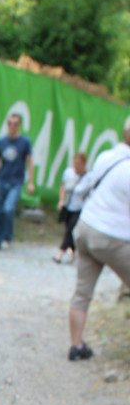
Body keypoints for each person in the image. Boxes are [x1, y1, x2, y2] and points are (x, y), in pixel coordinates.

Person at [67, 123, 130, 361]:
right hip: (111, 236)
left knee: (82, 292)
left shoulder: (106, 156)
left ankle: (76, 345)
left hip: (86, 228)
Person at [0, 112, 34, 250]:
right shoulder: (1, 142)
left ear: (19, 125)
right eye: (10, 123)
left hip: (16, 181)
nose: (12, 126)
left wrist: (31, 182)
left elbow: (29, 162)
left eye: (15, 123)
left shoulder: (24, 142)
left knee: (8, 208)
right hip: (2, 180)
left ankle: (7, 236)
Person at [54, 151, 87, 263]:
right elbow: (63, 186)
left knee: (71, 228)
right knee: (69, 228)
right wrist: (61, 200)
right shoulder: (68, 173)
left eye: (79, 164)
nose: (76, 166)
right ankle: (73, 251)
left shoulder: (88, 177)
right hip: (68, 205)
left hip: (80, 208)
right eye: (75, 163)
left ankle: (60, 252)